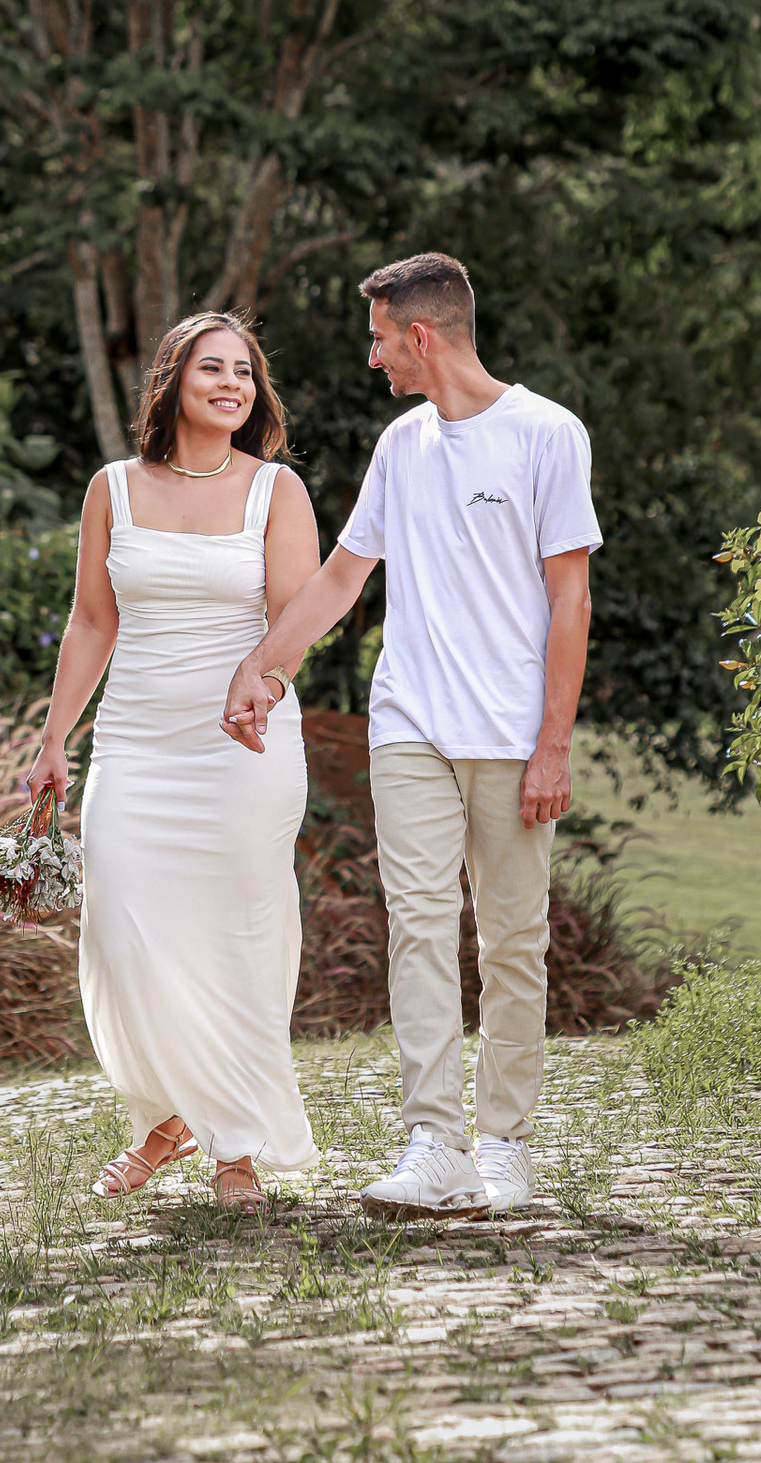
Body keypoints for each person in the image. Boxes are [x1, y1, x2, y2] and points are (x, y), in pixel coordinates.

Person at [222, 254, 601, 1220]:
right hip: (411, 726)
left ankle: (504, 1142)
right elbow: (344, 576)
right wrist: (265, 667)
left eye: (381, 338)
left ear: (421, 336)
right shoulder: (401, 444)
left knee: (512, 943)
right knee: (420, 926)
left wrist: (554, 743)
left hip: (511, 732)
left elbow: (570, 598)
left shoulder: (547, 433)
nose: (374, 356)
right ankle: (435, 1142)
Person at [29, 312, 320, 1210]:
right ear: (173, 381)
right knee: (122, 939)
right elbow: (92, 621)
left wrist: (265, 683)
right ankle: (168, 1116)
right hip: (135, 746)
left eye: (244, 372)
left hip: (243, 745)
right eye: (212, 369)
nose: (231, 384)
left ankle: (233, 1148)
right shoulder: (113, 488)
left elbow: (296, 621)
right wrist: (55, 737)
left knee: (237, 939)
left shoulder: (276, 490)